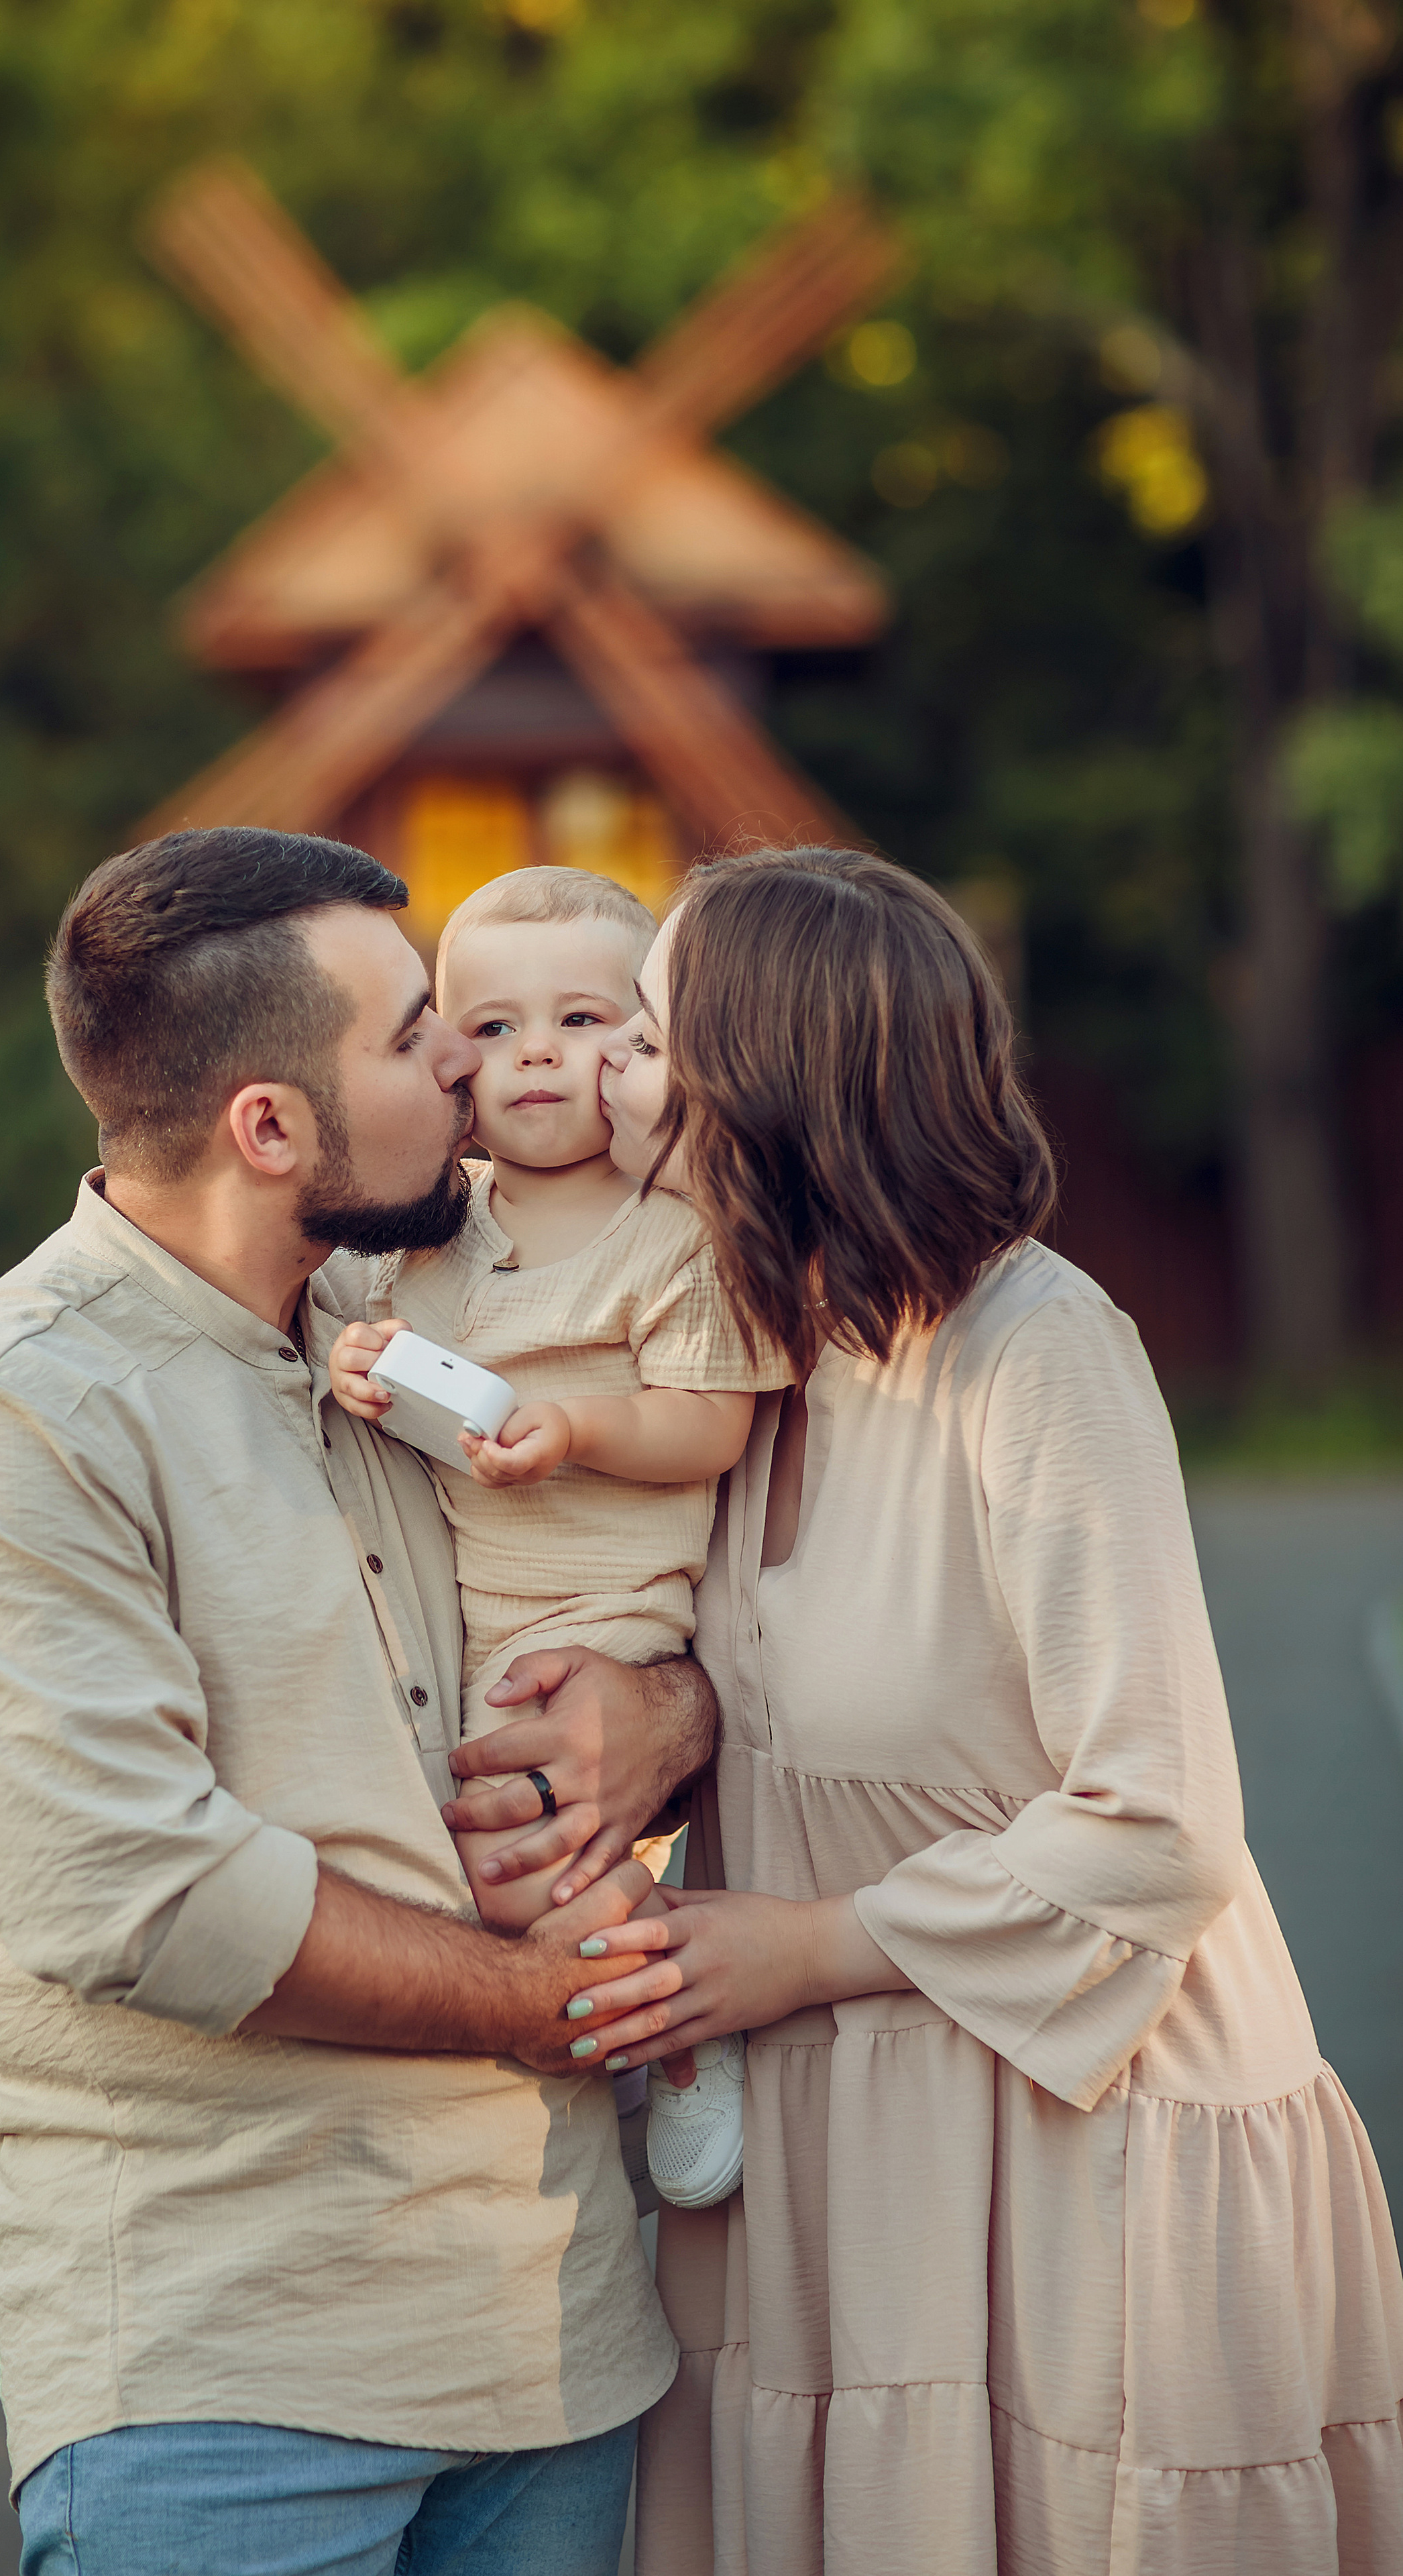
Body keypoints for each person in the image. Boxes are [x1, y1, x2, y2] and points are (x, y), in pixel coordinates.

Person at [451, 847, 1403, 2574]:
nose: (599, 1076)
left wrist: (803, 1948)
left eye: (647, 1040)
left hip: (1077, 2131)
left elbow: (1159, 1820)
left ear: (768, 1087)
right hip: (831, 2159)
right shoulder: (746, 1361)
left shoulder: (1036, 1355)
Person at [0, 826, 712, 2576]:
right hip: (227, 2391)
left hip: (559, 2354)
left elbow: (665, 1573)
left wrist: (665, 1710)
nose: (470, 1062)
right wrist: (540, 1998)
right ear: (269, 1125)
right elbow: (138, 1895)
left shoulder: (422, 1330)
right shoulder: (5, 1421)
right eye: (412, 1037)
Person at [327, 865, 788, 2210]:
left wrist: (575, 1428)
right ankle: (632, 1993)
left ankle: (686, 2022)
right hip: (476, 1617)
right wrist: (365, 1367)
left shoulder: (672, 1237)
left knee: (525, 1860)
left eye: (586, 1021)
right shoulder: (427, 1236)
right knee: (483, 1864)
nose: (536, 1052)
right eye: (490, 1025)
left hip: (609, 1614)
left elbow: (708, 1423)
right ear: (446, 1060)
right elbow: (360, 1351)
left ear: (649, 1053)